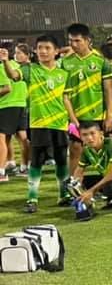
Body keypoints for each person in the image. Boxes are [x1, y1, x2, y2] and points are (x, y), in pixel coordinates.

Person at [0, 36, 75, 213]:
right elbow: (14, 76)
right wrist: (5, 62)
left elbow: (66, 98)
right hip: (39, 124)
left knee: (60, 161)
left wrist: (73, 120)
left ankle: (63, 195)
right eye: (40, 48)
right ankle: (32, 198)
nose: (42, 51)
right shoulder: (30, 69)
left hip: (59, 123)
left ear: (56, 51)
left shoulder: (64, 73)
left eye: (47, 48)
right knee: (37, 163)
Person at [61, 23, 112, 174]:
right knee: (75, 149)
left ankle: (108, 185)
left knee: (102, 152)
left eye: (77, 40)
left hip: (97, 114)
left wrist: (109, 115)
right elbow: (64, 94)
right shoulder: (66, 62)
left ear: (88, 40)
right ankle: (73, 185)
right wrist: (71, 119)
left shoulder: (101, 61)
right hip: (76, 116)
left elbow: (108, 90)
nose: (73, 44)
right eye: (71, 40)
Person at [0, 40, 27, 182]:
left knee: (1, 138)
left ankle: (1, 172)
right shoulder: (18, 67)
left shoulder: (3, 67)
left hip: (6, 105)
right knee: (21, 137)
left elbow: (7, 88)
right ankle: (23, 167)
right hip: (21, 104)